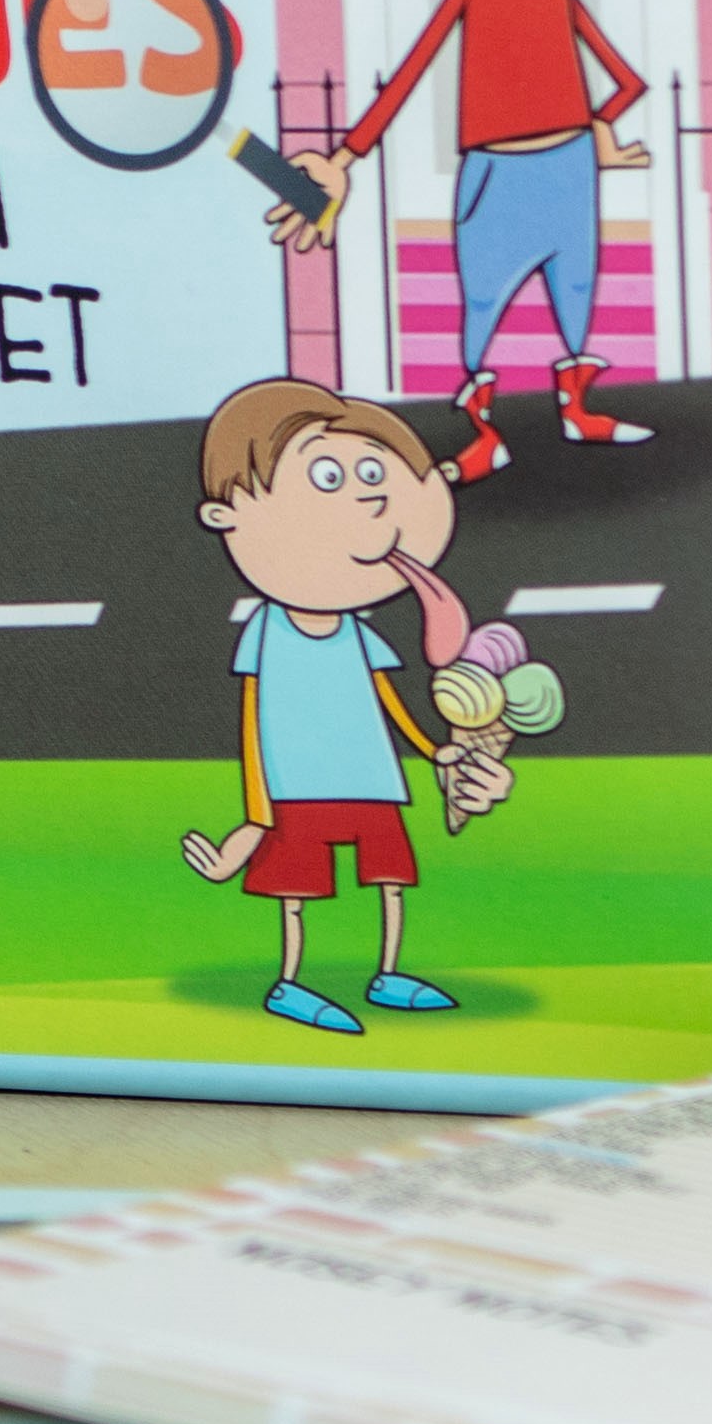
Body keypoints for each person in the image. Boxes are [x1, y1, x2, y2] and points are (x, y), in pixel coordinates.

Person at [302, 0, 654, 478]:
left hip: (569, 169)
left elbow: (627, 82)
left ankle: (578, 412)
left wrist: (598, 130)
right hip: (499, 173)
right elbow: (413, 70)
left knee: (576, 289)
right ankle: (480, 435)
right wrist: (346, 158)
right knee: (484, 301)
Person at [178, 375, 509, 1036]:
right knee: (296, 889)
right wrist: (256, 818)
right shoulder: (268, 630)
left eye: (374, 474)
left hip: (371, 778)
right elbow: (251, 723)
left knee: (389, 878)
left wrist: (436, 751)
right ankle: (291, 982)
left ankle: (387, 974)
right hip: (296, 787)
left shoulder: (359, 630)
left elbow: (388, 700)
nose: (367, 497)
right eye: (328, 476)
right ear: (224, 516)